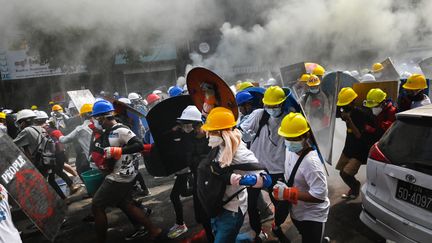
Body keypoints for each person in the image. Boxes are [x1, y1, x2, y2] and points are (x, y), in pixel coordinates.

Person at [90, 100, 163, 243]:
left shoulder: (121, 130)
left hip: (119, 177)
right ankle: (154, 230)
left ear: (103, 117)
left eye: (96, 118)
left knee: (97, 206)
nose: (96, 121)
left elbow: (139, 145)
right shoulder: (109, 132)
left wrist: (119, 150)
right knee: (126, 204)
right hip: (123, 174)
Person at [200, 107, 271, 243]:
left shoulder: (240, 153)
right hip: (217, 205)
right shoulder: (219, 146)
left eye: (212, 131)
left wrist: (240, 180)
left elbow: (265, 179)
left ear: (223, 133)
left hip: (232, 209)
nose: (208, 134)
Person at [240, 86, 290, 242]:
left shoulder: (289, 119)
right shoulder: (258, 114)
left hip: (277, 170)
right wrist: (243, 135)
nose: (271, 109)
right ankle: (258, 232)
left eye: (274, 105)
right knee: (251, 204)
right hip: (256, 168)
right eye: (268, 105)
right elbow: (241, 131)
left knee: (282, 205)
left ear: (282, 103)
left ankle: (277, 225)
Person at [273, 112, 330, 243]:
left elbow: (319, 195)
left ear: (306, 135)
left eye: (294, 138)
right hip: (297, 211)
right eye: (287, 138)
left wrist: (288, 193)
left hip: (312, 216)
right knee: (305, 234)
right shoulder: (290, 149)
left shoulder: (311, 163)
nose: (290, 142)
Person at [167, 105, 210, 239]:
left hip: (210, 181)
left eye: (187, 123)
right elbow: (186, 155)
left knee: (211, 212)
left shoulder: (212, 136)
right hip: (197, 179)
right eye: (184, 124)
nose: (185, 127)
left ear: (198, 123)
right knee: (200, 216)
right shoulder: (189, 137)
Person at [13, 109, 66, 199]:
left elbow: (12, 144)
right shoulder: (41, 128)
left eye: (20, 122)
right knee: (50, 181)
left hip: (39, 162)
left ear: (25, 121)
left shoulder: (26, 131)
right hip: (49, 159)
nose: (20, 125)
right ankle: (63, 199)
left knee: (40, 186)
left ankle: (53, 205)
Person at [335, 88, 373, 199]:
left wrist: (349, 120)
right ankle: (354, 187)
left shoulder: (360, 114)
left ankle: (355, 188)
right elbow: (336, 113)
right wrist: (340, 112)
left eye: (346, 104)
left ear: (353, 102)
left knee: (347, 174)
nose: (344, 107)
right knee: (342, 173)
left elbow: (358, 135)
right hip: (348, 148)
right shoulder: (347, 111)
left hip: (359, 151)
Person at [56, 104, 93, 176]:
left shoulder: (80, 129)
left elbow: (64, 140)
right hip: (102, 157)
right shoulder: (101, 125)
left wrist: (57, 133)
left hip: (90, 158)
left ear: (82, 116)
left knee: (82, 172)